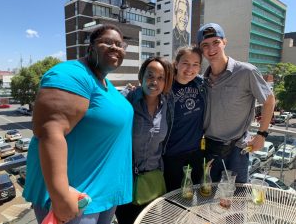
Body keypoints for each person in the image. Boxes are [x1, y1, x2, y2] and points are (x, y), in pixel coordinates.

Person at [22, 24, 134, 224]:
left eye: (120, 44)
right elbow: (49, 131)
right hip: (75, 199)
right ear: (90, 48)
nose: (115, 47)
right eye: (107, 42)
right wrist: (60, 195)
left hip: (103, 195)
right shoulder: (72, 74)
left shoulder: (105, 85)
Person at [196, 23, 275, 183]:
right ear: (201, 50)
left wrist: (262, 134)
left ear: (224, 42)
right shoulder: (202, 80)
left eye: (216, 42)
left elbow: (269, 100)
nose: (211, 49)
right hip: (209, 148)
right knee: (206, 196)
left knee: (237, 199)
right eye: (205, 45)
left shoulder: (246, 72)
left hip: (237, 149)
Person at [115, 57, 174, 224]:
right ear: (141, 77)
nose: (154, 81)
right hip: (127, 180)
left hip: (153, 179)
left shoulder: (168, 105)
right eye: (150, 75)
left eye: (161, 77)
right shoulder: (127, 99)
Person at [163, 46, 206, 192]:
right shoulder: (166, 88)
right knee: (173, 198)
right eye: (185, 63)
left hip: (196, 153)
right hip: (172, 155)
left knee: (194, 195)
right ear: (176, 64)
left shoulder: (201, 85)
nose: (190, 69)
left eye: (195, 64)